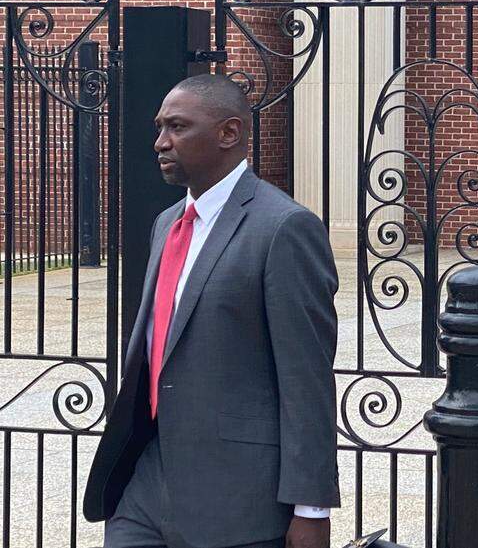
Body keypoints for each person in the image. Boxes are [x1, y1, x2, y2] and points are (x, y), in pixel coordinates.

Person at [83, 74, 340, 548]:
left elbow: (307, 377)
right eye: (159, 127)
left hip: (238, 501)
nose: (161, 142)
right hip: (142, 487)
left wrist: (311, 507)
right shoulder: (167, 224)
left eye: (178, 127)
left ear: (229, 133)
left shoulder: (284, 228)